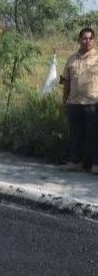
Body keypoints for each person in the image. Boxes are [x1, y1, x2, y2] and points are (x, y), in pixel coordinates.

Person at [60, 27, 98, 172]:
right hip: (74, 103)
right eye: (84, 38)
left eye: (90, 38)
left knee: (93, 135)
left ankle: (95, 164)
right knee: (75, 134)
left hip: (92, 103)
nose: (87, 41)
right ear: (79, 40)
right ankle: (75, 162)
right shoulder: (71, 59)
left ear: (93, 41)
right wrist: (64, 102)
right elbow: (66, 82)